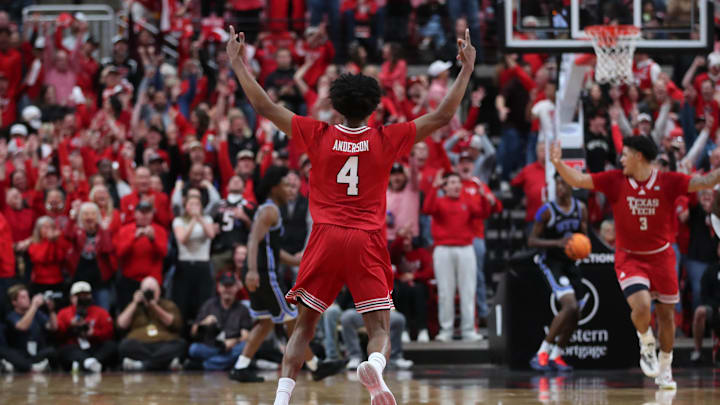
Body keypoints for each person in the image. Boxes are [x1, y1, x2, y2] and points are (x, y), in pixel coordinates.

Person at [227, 24, 474, 404]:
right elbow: (442, 116)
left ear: (337, 105)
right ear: (374, 105)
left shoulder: (318, 133)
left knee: (304, 327)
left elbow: (264, 106)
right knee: (379, 327)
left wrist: (238, 63)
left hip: (324, 236)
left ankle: (281, 400)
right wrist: (467, 69)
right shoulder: (386, 137)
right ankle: (375, 363)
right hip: (366, 239)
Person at [550, 135, 720, 389]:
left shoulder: (668, 181)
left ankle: (665, 366)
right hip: (629, 257)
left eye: (625, 154)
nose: (621, 159)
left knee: (666, 316)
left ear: (639, 156)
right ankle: (646, 341)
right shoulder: (615, 180)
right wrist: (558, 164)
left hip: (662, 257)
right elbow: (579, 180)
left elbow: (705, 181)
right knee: (641, 307)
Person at [228, 166, 344, 383]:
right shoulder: (269, 210)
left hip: (261, 271)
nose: (290, 190)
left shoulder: (271, 210)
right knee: (291, 319)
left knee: (265, 322)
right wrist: (252, 270)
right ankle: (315, 366)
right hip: (264, 274)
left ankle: (240, 367)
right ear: (274, 188)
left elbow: (270, 248)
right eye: (286, 185)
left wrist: (294, 260)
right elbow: (253, 240)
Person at [527, 174, 588, 372]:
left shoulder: (581, 209)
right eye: (558, 183)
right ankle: (541, 353)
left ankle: (557, 355)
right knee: (569, 305)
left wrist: (580, 246)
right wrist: (557, 243)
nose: (560, 187)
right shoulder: (546, 210)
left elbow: (584, 238)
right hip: (551, 262)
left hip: (570, 262)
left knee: (576, 312)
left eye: (564, 183)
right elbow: (532, 241)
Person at [423, 172, 486, 342]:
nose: (456, 185)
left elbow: (483, 213)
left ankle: (468, 330)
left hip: (465, 249)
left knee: (468, 290)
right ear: (445, 187)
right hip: (444, 249)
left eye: (458, 182)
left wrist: (484, 197)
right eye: (451, 182)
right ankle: (446, 330)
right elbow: (427, 209)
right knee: (445, 292)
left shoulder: (467, 201)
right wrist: (434, 187)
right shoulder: (439, 201)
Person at [117, 276, 186, 371]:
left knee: (180, 344)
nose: (149, 294)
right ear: (140, 291)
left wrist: (154, 306)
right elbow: (121, 324)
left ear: (159, 291)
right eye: (146, 291)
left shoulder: (168, 304)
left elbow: (175, 324)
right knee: (124, 346)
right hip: (140, 345)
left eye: (153, 291)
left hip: (163, 344)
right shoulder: (135, 305)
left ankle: (141, 365)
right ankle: (162, 363)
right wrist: (134, 303)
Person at [188, 272, 252, 370]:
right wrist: (204, 322)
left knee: (243, 348)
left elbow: (246, 336)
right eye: (225, 286)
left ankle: (206, 365)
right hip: (211, 346)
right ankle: (223, 363)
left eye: (230, 286)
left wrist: (233, 341)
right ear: (219, 287)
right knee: (193, 349)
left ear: (236, 288)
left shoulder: (242, 309)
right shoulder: (209, 305)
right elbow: (193, 332)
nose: (228, 289)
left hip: (232, 346)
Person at [113, 201, 169, 312]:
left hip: (153, 282)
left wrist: (153, 240)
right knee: (128, 312)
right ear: (135, 214)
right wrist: (133, 238)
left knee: (153, 312)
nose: (144, 215)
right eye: (141, 212)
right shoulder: (125, 230)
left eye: (147, 212)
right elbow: (119, 253)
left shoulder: (159, 230)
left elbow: (164, 253)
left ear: (152, 214)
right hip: (130, 281)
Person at [172, 194, 216, 326]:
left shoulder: (207, 219)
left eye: (197, 204)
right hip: (184, 266)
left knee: (203, 301)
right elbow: (183, 238)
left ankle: (202, 332)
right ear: (186, 207)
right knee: (182, 302)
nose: (194, 207)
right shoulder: (179, 221)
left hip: (203, 265)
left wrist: (200, 219)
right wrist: (193, 220)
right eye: (191, 204)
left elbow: (211, 234)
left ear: (201, 206)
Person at [56, 281, 116, 372]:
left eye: (85, 295)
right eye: (79, 296)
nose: (82, 299)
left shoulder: (100, 312)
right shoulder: (64, 313)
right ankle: (88, 362)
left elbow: (110, 332)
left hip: (94, 346)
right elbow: (57, 334)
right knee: (64, 350)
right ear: (71, 298)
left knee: (111, 346)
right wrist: (70, 326)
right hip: (75, 347)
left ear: (91, 296)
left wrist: (93, 332)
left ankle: (89, 363)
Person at [3, 284, 57, 372]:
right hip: (19, 353)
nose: (28, 299)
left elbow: (53, 327)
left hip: (35, 353)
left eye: (28, 296)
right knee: (6, 353)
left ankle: (26, 367)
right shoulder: (11, 316)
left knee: (52, 351)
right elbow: (22, 327)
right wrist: (34, 305)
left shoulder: (36, 313)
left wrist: (51, 310)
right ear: (14, 302)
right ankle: (30, 367)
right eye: (23, 297)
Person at [690, 246, 720, 363]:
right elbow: (703, 295)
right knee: (700, 311)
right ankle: (697, 351)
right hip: (713, 308)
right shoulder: (711, 270)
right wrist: (716, 306)